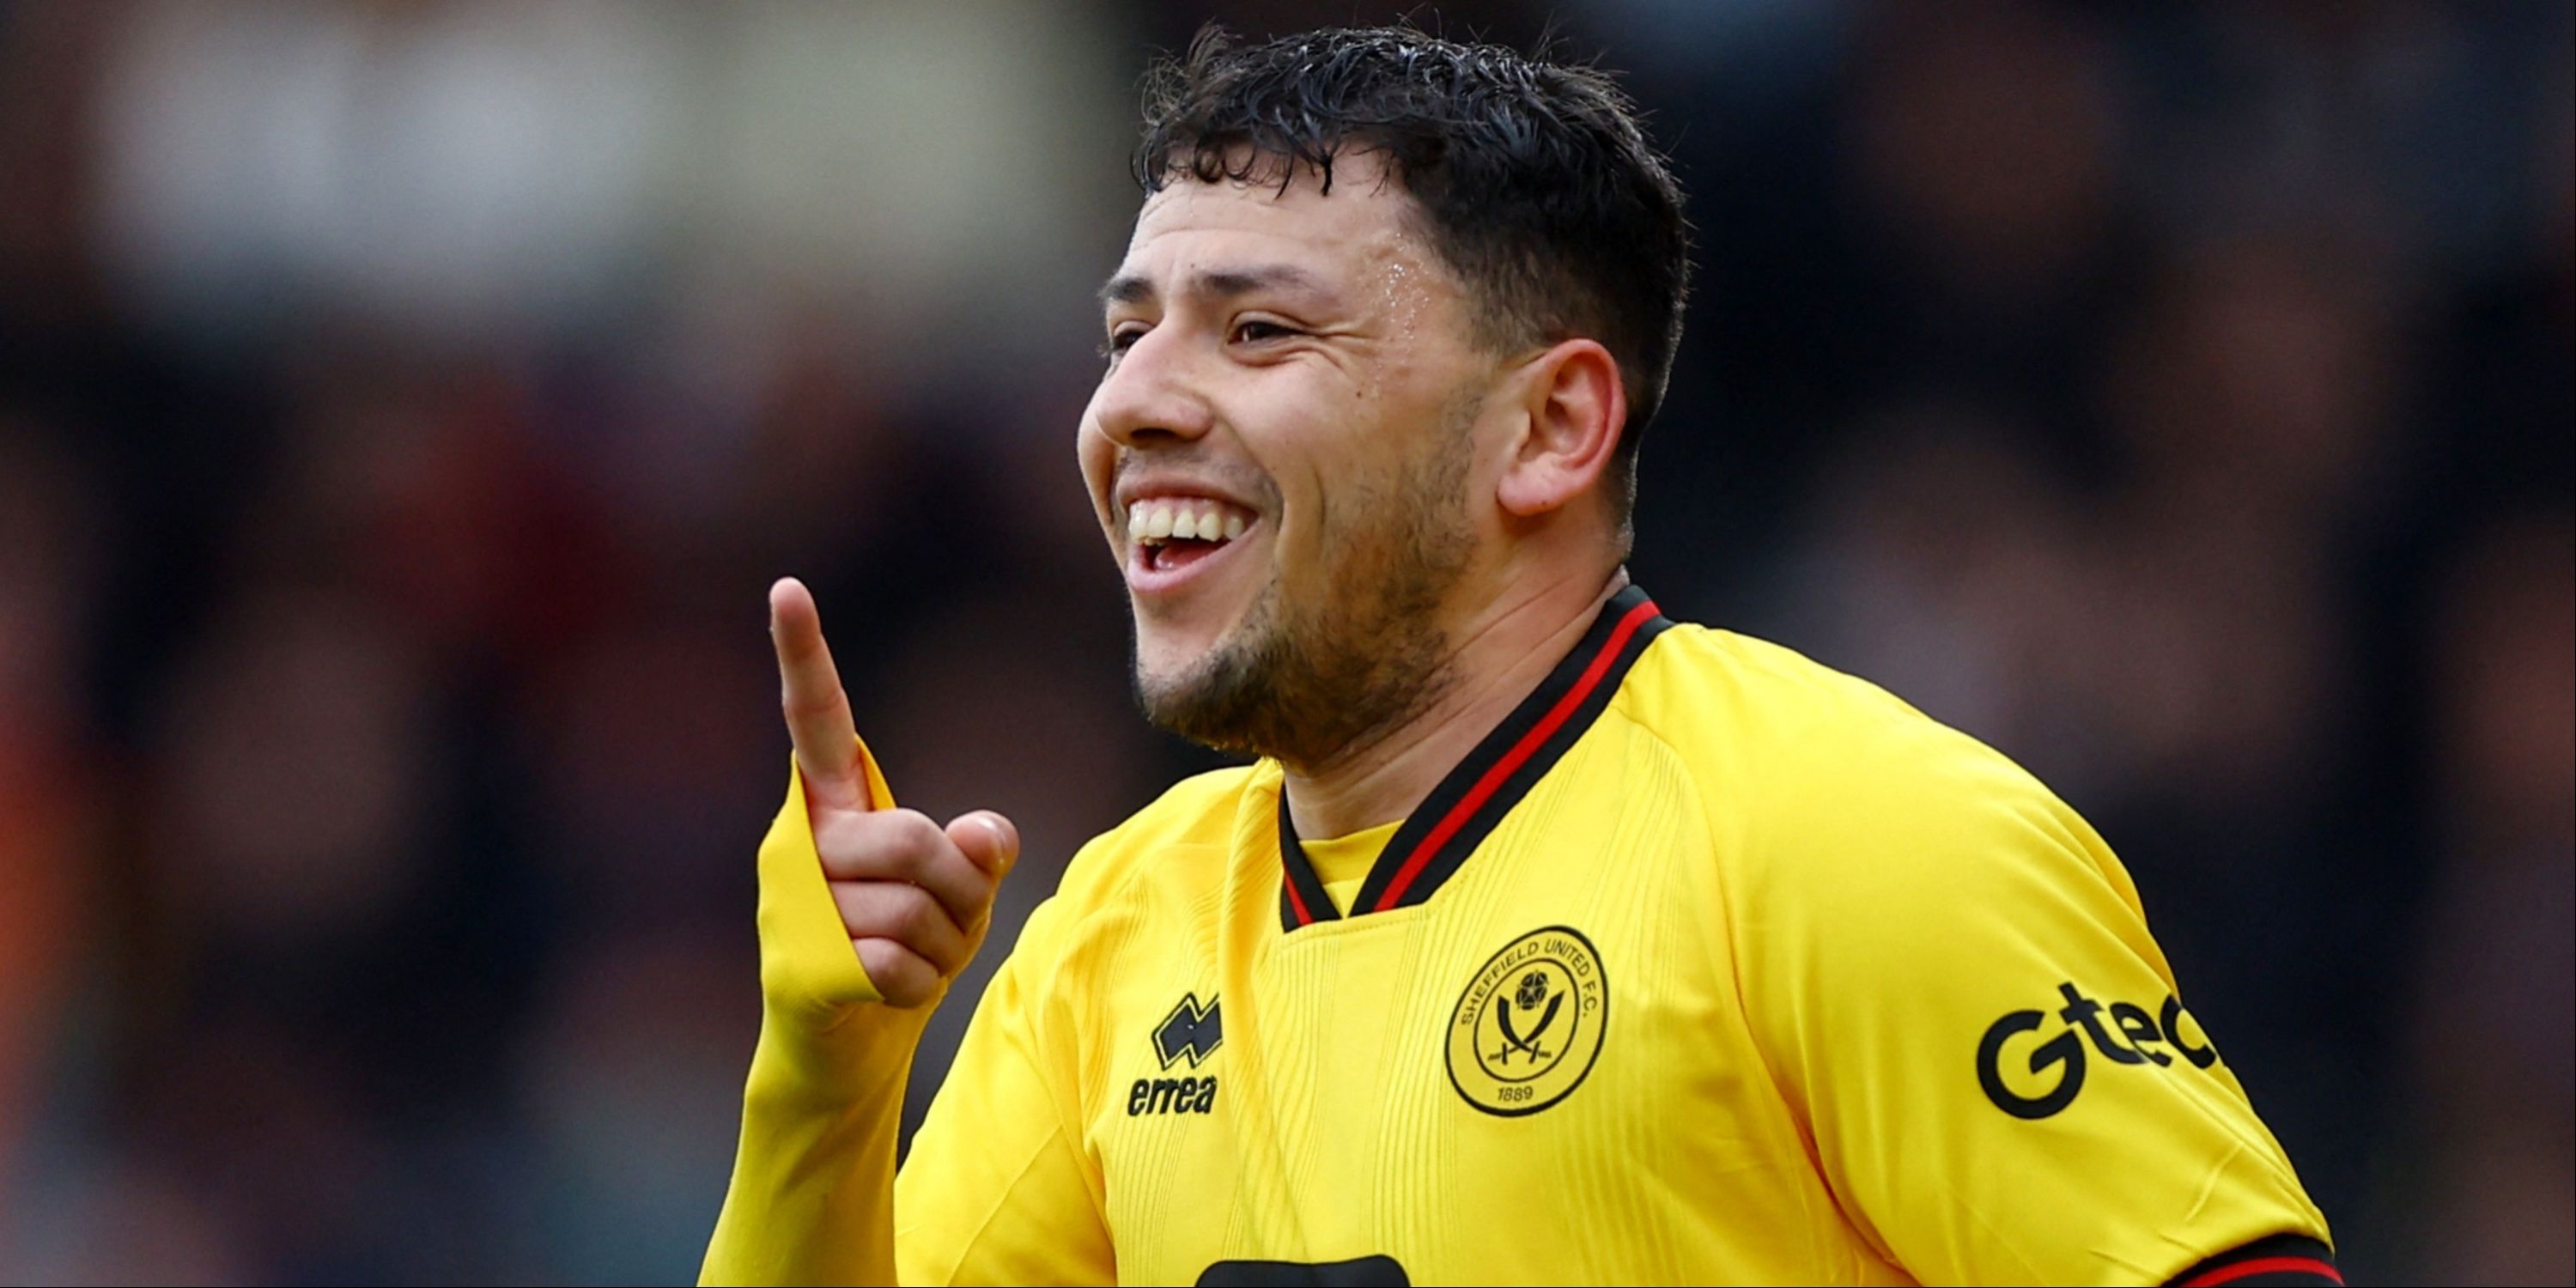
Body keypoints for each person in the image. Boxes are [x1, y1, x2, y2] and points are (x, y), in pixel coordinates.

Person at [702, 27, 2336, 1287]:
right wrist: (823, 1085)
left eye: (1260, 331)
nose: (1133, 403)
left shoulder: (1855, 838)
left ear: (1549, 427)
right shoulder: (1105, 946)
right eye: (1129, 335)